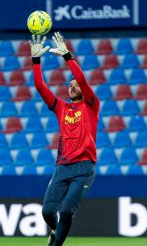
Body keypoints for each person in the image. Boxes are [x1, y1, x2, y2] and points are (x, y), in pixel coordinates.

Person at [29, 32, 100, 246]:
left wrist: (67, 56)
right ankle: (55, 232)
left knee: (68, 210)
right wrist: (35, 60)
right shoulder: (61, 108)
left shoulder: (91, 104)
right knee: (48, 211)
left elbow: (83, 80)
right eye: (70, 85)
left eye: (76, 84)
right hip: (62, 167)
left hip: (84, 168)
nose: (73, 86)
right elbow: (40, 86)